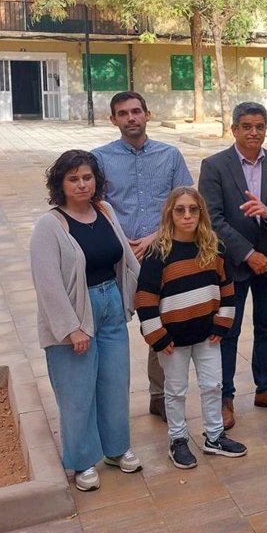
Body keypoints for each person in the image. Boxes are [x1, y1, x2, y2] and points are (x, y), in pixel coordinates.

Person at [29, 150, 140, 492]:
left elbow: (127, 258)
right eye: (73, 178)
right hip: (76, 312)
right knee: (77, 392)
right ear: (60, 184)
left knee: (115, 383)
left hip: (111, 307)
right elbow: (47, 284)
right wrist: (71, 328)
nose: (82, 184)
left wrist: (138, 297)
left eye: (87, 177)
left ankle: (116, 449)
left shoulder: (104, 211)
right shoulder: (49, 226)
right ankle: (81, 461)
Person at [92, 91, 193, 420]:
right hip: (116, 256)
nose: (131, 118)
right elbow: (93, 208)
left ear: (147, 114)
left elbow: (185, 203)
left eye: (136, 111)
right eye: (123, 113)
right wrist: (122, 242)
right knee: (111, 324)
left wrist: (154, 237)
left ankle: (159, 395)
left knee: (162, 321)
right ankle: (108, 402)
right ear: (113, 120)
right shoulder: (99, 159)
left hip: (162, 252)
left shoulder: (170, 155)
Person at [198, 102, 267, 429]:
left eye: (259, 126)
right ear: (234, 129)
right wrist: (247, 253)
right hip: (232, 264)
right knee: (228, 331)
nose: (254, 132)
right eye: (247, 126)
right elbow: (212, 219)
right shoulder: (214, 165)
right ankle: (225, 397)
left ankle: (266, 388)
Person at [135, 187, 247, 469]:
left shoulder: (214, 247)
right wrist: (158, 336)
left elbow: (227, 289)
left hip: (208, 335)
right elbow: (145, 299)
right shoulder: (158, 253)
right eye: (180, 210)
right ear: (170, 214)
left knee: (213, 385)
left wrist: (223, 322)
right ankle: (178, 440)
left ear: (201, 213)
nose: (187, 215)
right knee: (175, 390)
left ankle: (214, 436)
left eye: (193, 209)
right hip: (172, 340)